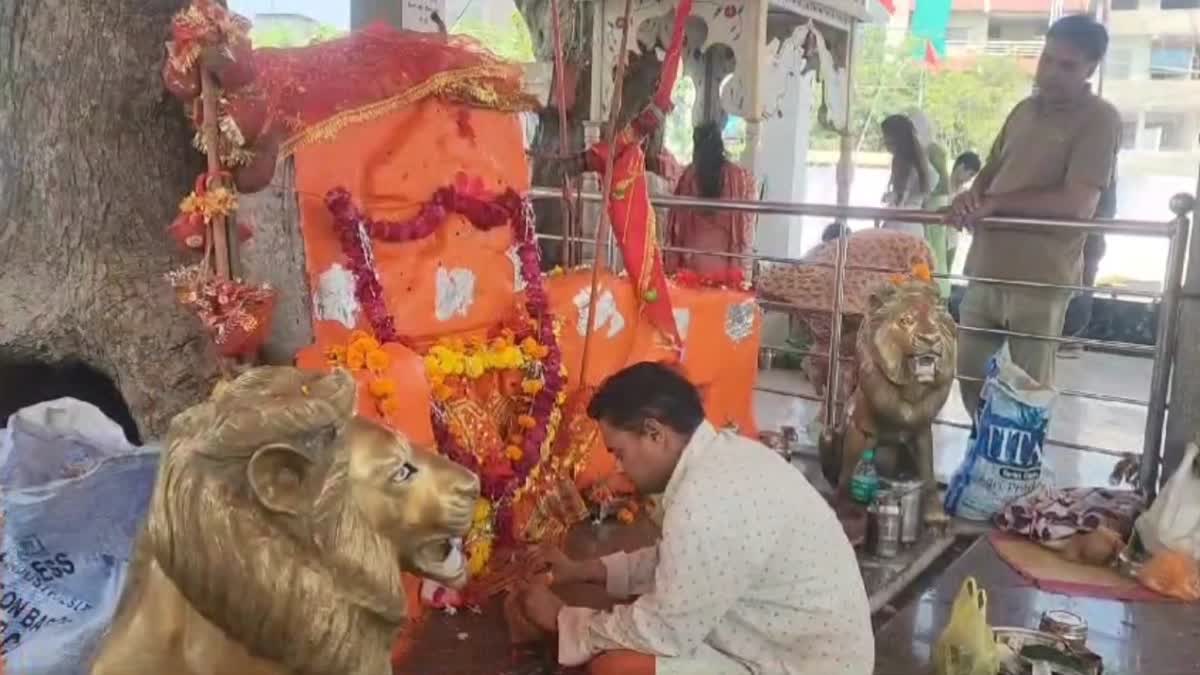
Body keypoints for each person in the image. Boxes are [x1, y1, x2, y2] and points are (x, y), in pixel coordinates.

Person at [515, 362, 873, 675]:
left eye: (619, 453)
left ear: (655, 434)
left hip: (800, 667)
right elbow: (679, 562)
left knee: (617, 667)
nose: (618, 468)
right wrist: (583, 571)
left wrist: (564, 622)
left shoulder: (704, 502)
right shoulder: (724, 458)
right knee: (621, 618)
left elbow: (663, 629)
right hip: (791, 649)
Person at [948, 14, 1121, 415]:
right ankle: (984, 464)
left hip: (1041, 278)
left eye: (1067, 65)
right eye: (1047, 59)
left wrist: (996, 203)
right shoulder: (1023, 110)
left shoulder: (1100, 118)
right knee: (970, 376)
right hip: (986, 267)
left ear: (1090, 69)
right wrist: (968, 200)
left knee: (1027, 395)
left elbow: (1078, 204)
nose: (1052, 72)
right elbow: (988, 175)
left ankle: (1019, 475)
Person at [665, 122, 757, 277]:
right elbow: (745, 223)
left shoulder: (689, 176)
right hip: (726, 264)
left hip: (693, 265)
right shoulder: (737, 176)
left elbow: (677, 224)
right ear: (719, 145)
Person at [1059, 173, 1116, 357]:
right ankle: (1069, 338)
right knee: (1082, 286)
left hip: (1085, 241)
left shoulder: (1098, 169)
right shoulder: (1106, 171)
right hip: (1087, 241)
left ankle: (1069, 337)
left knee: (1080, 288)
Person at [879, 114, 933, 238]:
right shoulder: (923, 162)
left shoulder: (902, 162)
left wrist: (890, 197)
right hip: (915, 226)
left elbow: (900, 199)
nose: (884, 142)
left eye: (885, 137)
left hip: (899, 225)